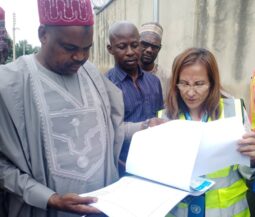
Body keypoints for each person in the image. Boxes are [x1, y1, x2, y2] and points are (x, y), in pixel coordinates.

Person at [0, 1, 150, 216]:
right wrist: (49, 198)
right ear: (43, 34)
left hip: (103, 208)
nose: (80, 57)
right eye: (69, 48)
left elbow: (109, 132)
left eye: (86, 48)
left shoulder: (91, 74)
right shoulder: (9, 84)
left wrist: (145, 126)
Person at [157, 48, 255, 216]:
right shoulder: (165, 119)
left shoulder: (234, 112)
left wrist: (253, 158)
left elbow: (247, 171)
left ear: (212, 83)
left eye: (199, 84)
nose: (190, 92)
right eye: (184, 83)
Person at [106, 21, 164, 176]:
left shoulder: (154, 81)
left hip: (155, 161)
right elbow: (107, 130)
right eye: (122, 46)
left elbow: (159, 117)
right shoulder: (105, 85)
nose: (130, 52)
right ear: (110, 49)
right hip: (123, 166)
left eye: (135, 45)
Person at [139, 22, 169, 100]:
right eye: (145, 44)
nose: (149, 50)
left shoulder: (167, 77)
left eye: (154, 47)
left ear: (159, 49)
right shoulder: (125, 74)